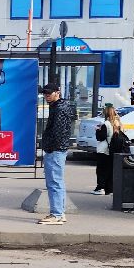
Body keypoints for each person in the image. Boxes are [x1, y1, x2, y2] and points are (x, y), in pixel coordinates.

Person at [38, 81, 74, 224]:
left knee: (54, 182)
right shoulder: (60, 106)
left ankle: (56, 214)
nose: (46, 96)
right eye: (45, 93)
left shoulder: (59, 109)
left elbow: (58, 132)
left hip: (55, 150)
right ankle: (59, 213)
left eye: (49, 93)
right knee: (57, 181)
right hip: (58, 149)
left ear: (57, 93)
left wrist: (49, 146)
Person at [92, 102, 127, 195]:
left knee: (101, 170)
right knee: (110, 170)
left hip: (104, 150)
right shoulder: (119, 124)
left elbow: (101, 138)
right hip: (114, 150)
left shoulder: (106, 124)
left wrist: (97, 130)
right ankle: (110, 189)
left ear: (106, 113)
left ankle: (100, 188)